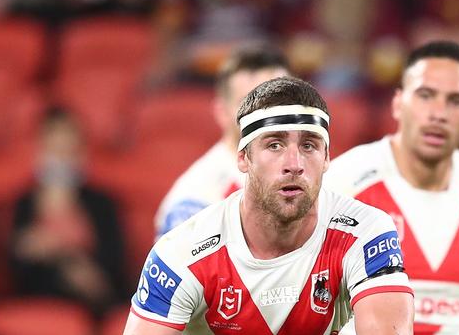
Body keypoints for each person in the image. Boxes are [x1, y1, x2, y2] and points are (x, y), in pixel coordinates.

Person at [124, 76, 414, 334]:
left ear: (327, 159)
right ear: (243, 158)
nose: (294, 165)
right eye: (274, 145)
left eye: (309, 145)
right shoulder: (183, 252)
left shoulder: (365, 233)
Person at [324, 41, 459, 334]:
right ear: (398, 104)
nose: (438, 113)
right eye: (425, 95)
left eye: (456, 100)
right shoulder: (344, 182)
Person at [154, 43, 290, 237]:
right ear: (222, 112)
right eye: (250, 103)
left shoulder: (318, 172)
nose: (268, 113)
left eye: (281, 99)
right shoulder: (197, 199)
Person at [9, 107, 127, 316]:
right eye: (55, 150)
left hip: (93, 301)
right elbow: (16, 264)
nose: (61, 160)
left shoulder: (103, 203)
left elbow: (113, 265)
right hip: (39, 294)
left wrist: (61, 250)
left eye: (68, 151)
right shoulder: (24, 202)